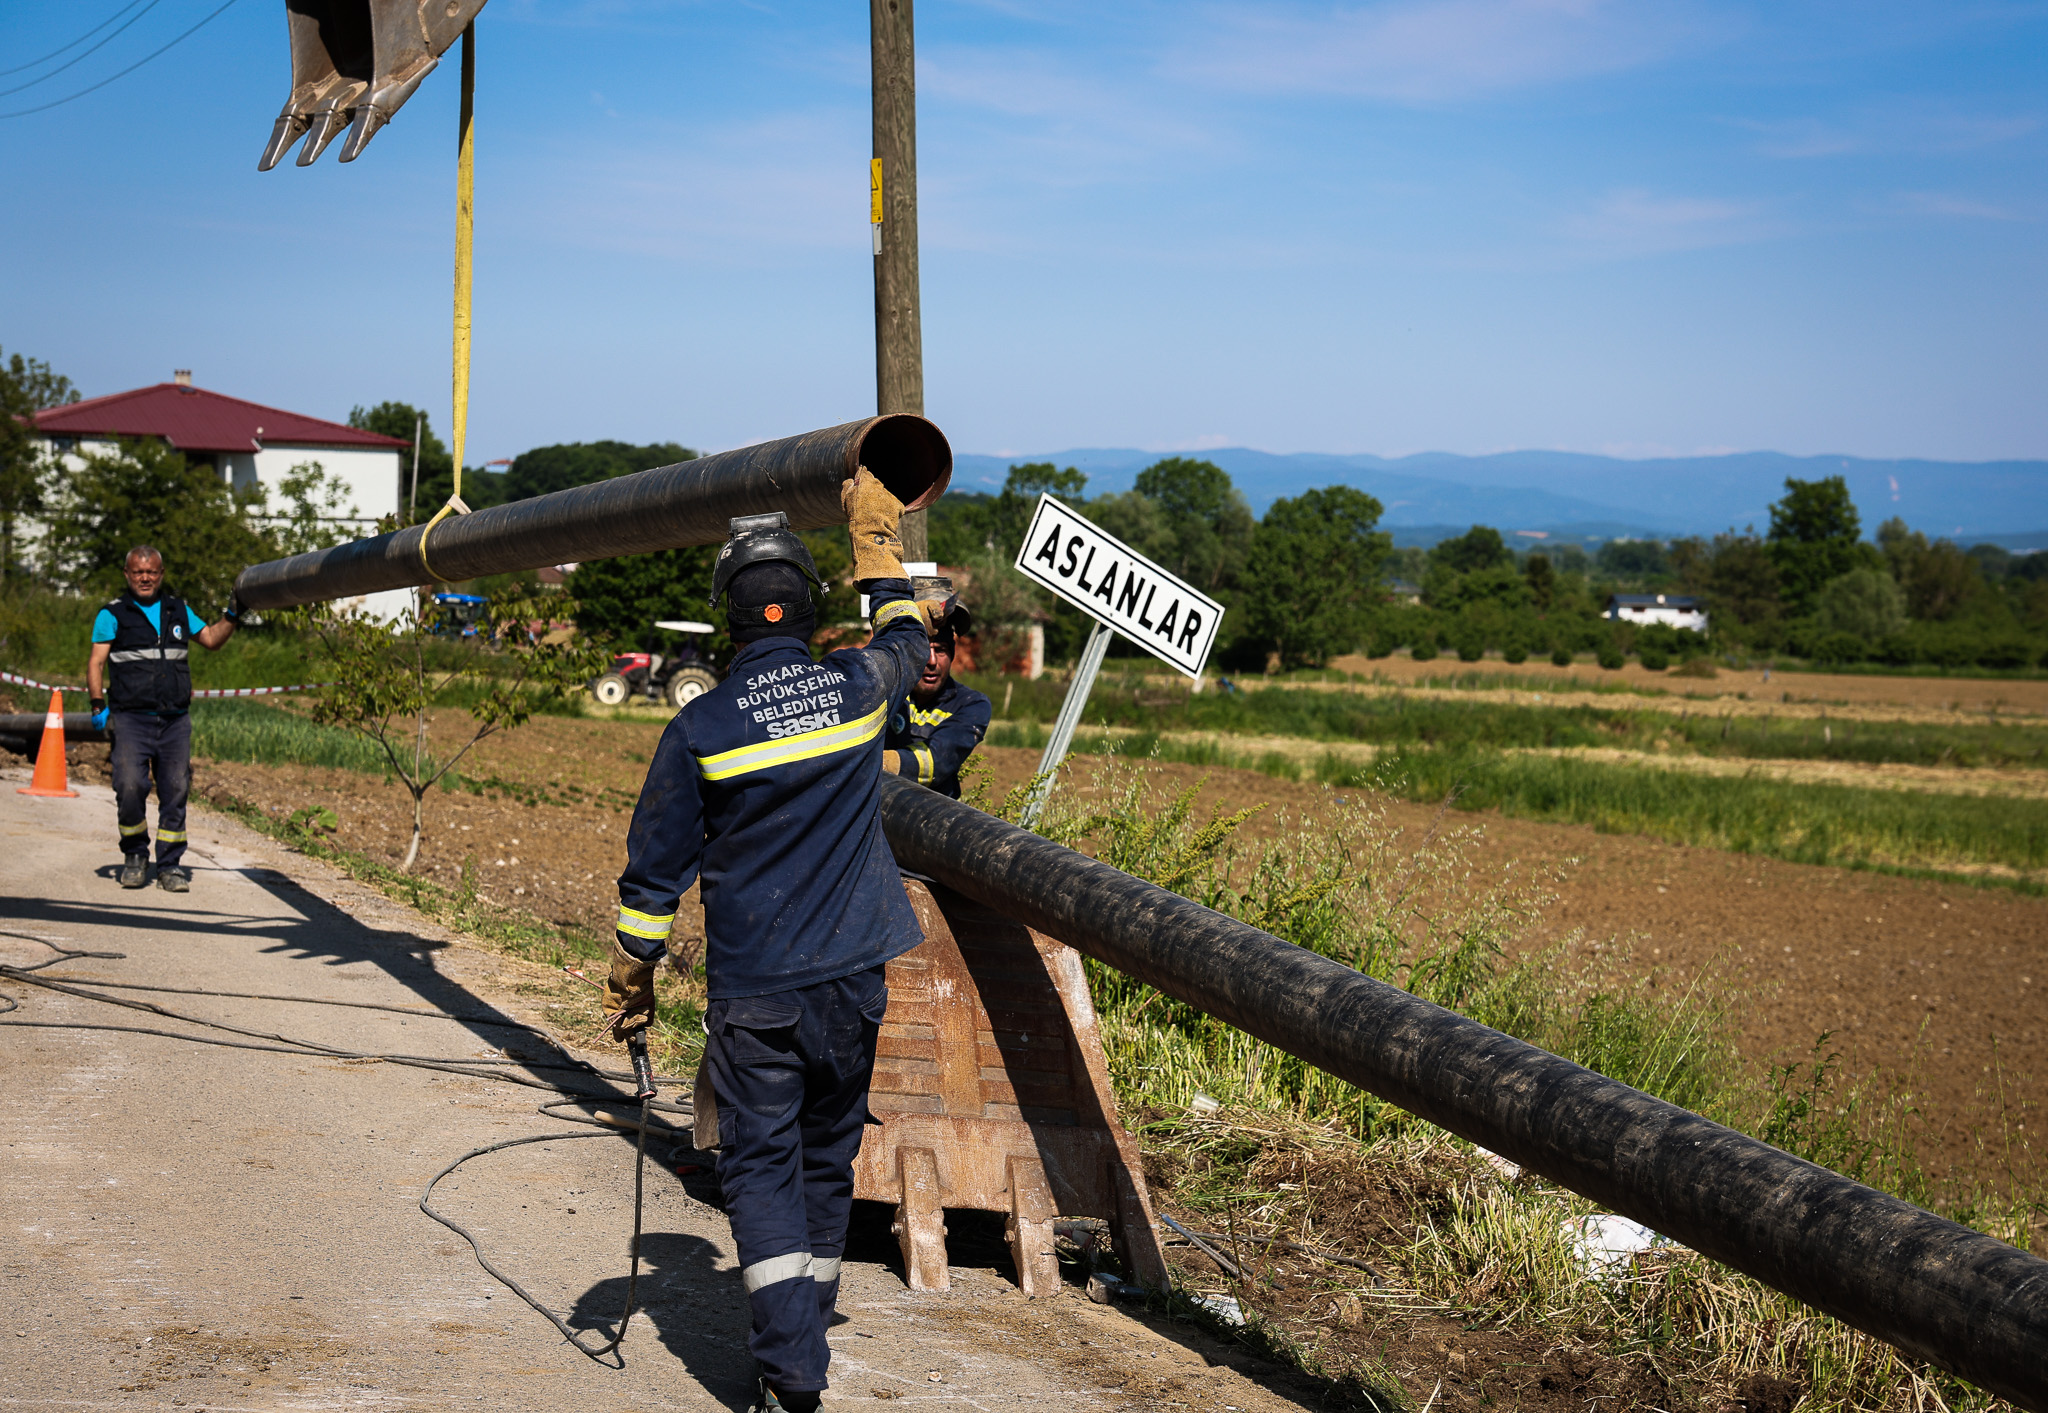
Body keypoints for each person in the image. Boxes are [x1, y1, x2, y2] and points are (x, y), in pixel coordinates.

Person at [605, 473, 933, 1413]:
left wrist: (633, 977)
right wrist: (878, 548)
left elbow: (654, 875)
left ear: (730, 620)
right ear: (808, 607)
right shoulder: (855, 688)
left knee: (758, 1165)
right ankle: (802, 1331)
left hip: (759, 991)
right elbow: (909, 641)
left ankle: (792, 1367)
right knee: (827, 1155)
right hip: (854, 979)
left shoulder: (700, 725)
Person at [85, 546, 240, 892]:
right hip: (130, 720)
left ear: (161, 574)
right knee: (129, 786)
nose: (145, 578)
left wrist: (232, 615)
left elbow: (211, 639)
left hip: (174, 721)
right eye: (138, 572)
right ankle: (135, 856)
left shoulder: (178, 610)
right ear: (127, 574)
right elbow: (96, 663)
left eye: (151, 572)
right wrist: (97, 704)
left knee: (176, 790)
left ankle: (170, 866)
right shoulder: (113, 614)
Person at [882, 577, 990, 801]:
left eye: (940, 650)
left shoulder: (971, 704)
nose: (931, 661)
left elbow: (937, 761)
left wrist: (875, 763)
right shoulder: (885, 691)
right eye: (923, 649)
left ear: (952, 653)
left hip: (933, 816)